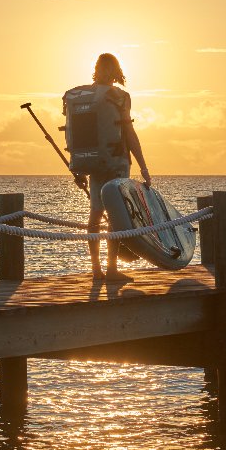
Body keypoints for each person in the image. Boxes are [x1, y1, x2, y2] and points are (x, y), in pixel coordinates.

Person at [83, 53, 152, 281]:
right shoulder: (121, 97)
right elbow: (129, 134)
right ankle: (111, 269)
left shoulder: (85, 95)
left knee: (95, 216)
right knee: (115, 217)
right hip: (117, 162)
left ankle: (96, 271)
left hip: (92, 163)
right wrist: (143, 167)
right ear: (116, 70)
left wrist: (78, 168)